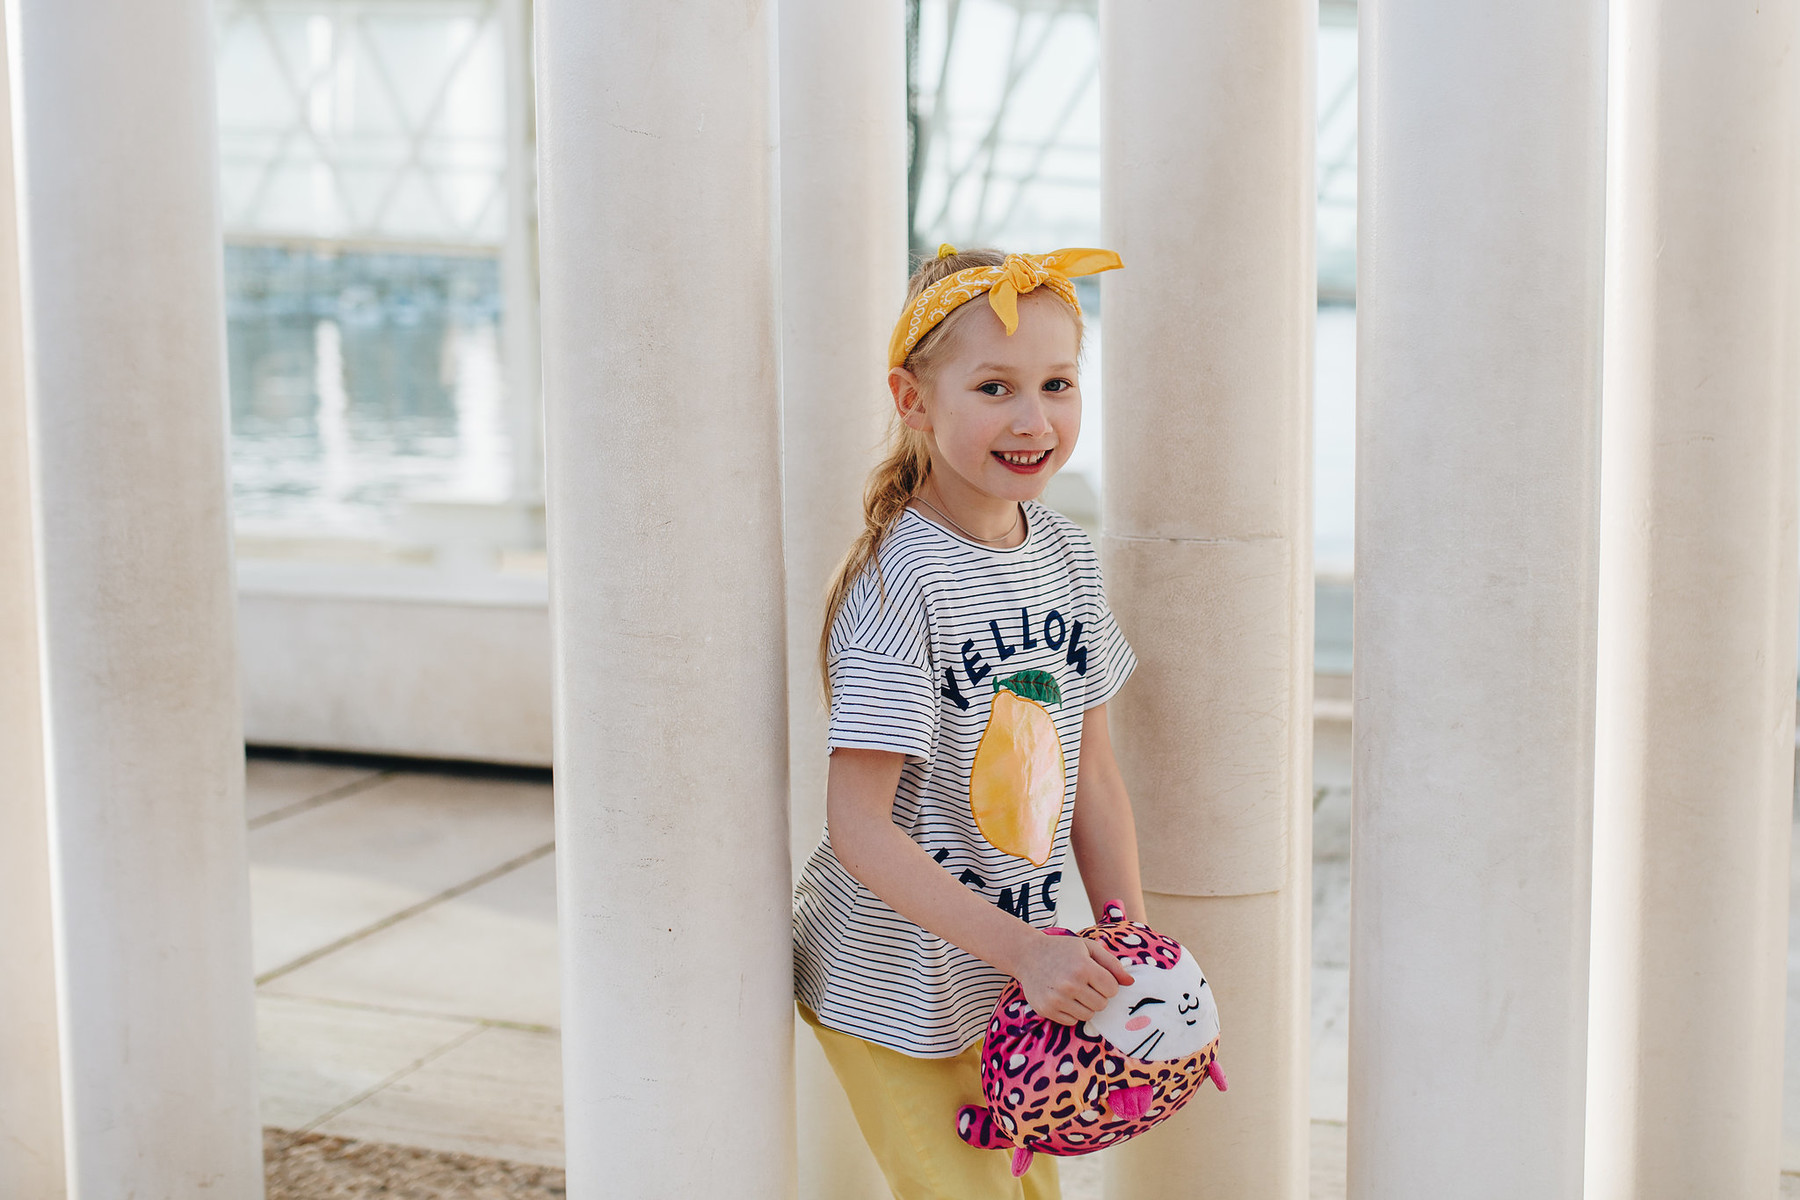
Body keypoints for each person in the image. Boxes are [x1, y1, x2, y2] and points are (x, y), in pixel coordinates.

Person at [793, 244, 1146, 1199]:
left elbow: (1095, 781)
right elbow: (857, 826)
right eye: (995, 388)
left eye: (1058, 384)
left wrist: (1127, 938)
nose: (1034, 421)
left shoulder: (1068, 557)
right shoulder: (899, 584)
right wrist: (1031, 950)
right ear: (913, 400)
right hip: (892, 990)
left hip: (1002, 985)